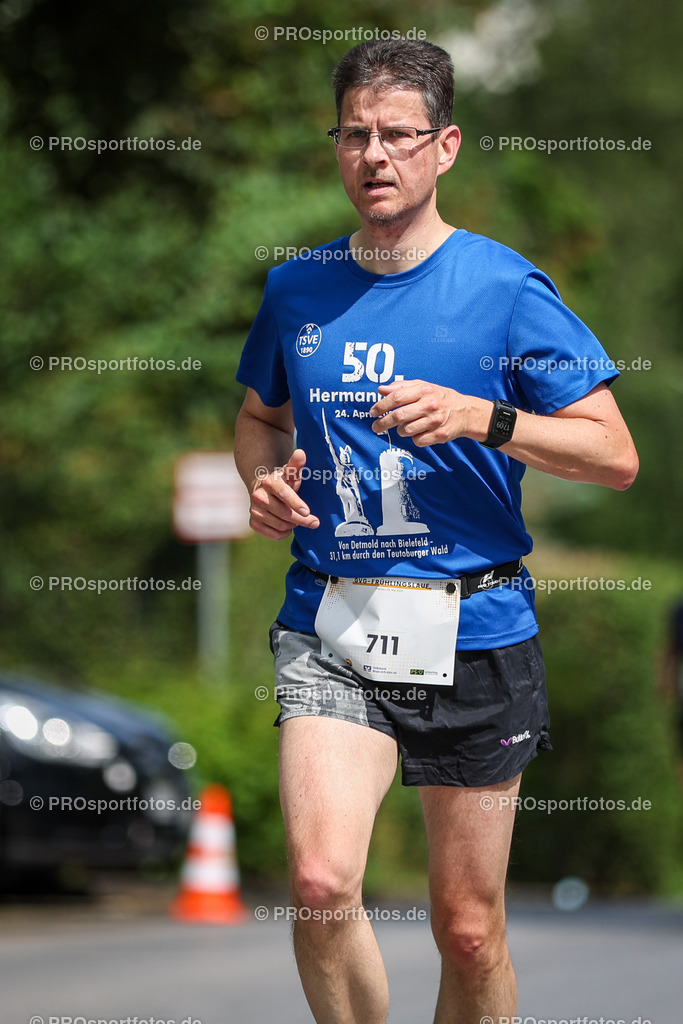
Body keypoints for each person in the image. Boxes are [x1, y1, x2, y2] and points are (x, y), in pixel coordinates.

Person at [234, 38, 638, 1024]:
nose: (375, 155)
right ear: (335, 145)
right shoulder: (297, 289)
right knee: (324, 882)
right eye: (354, 135)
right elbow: (258, 417)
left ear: (444, 147)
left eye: (399, 136)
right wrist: (261, 480)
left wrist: (479, 416)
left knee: (466, 929)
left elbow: (611, 454)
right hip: (331, 619)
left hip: (476, 628)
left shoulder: (502, 290)